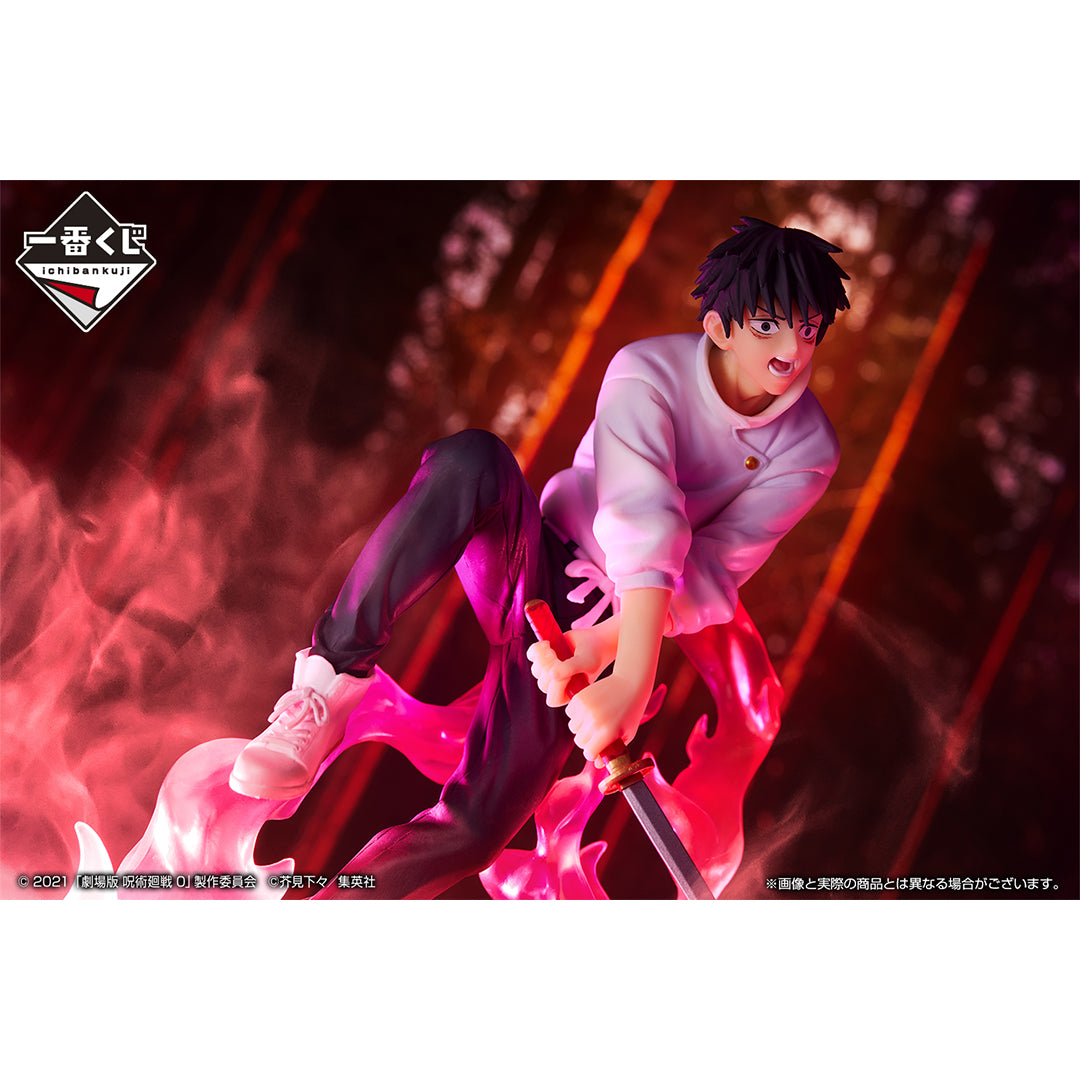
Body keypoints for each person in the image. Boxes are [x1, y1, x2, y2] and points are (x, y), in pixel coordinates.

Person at [227, 216, 850, 898]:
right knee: (472, 461)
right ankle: (326, 681)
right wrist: (633, 674)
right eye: (769, 325)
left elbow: (716, 571)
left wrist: (607, 648)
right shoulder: (647, 371)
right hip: (537, 561)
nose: (792, 348)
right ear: (720, 326)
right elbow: (642, 514)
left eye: (809, 329)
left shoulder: (809, 447)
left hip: (604, 632)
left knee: (479, 828)